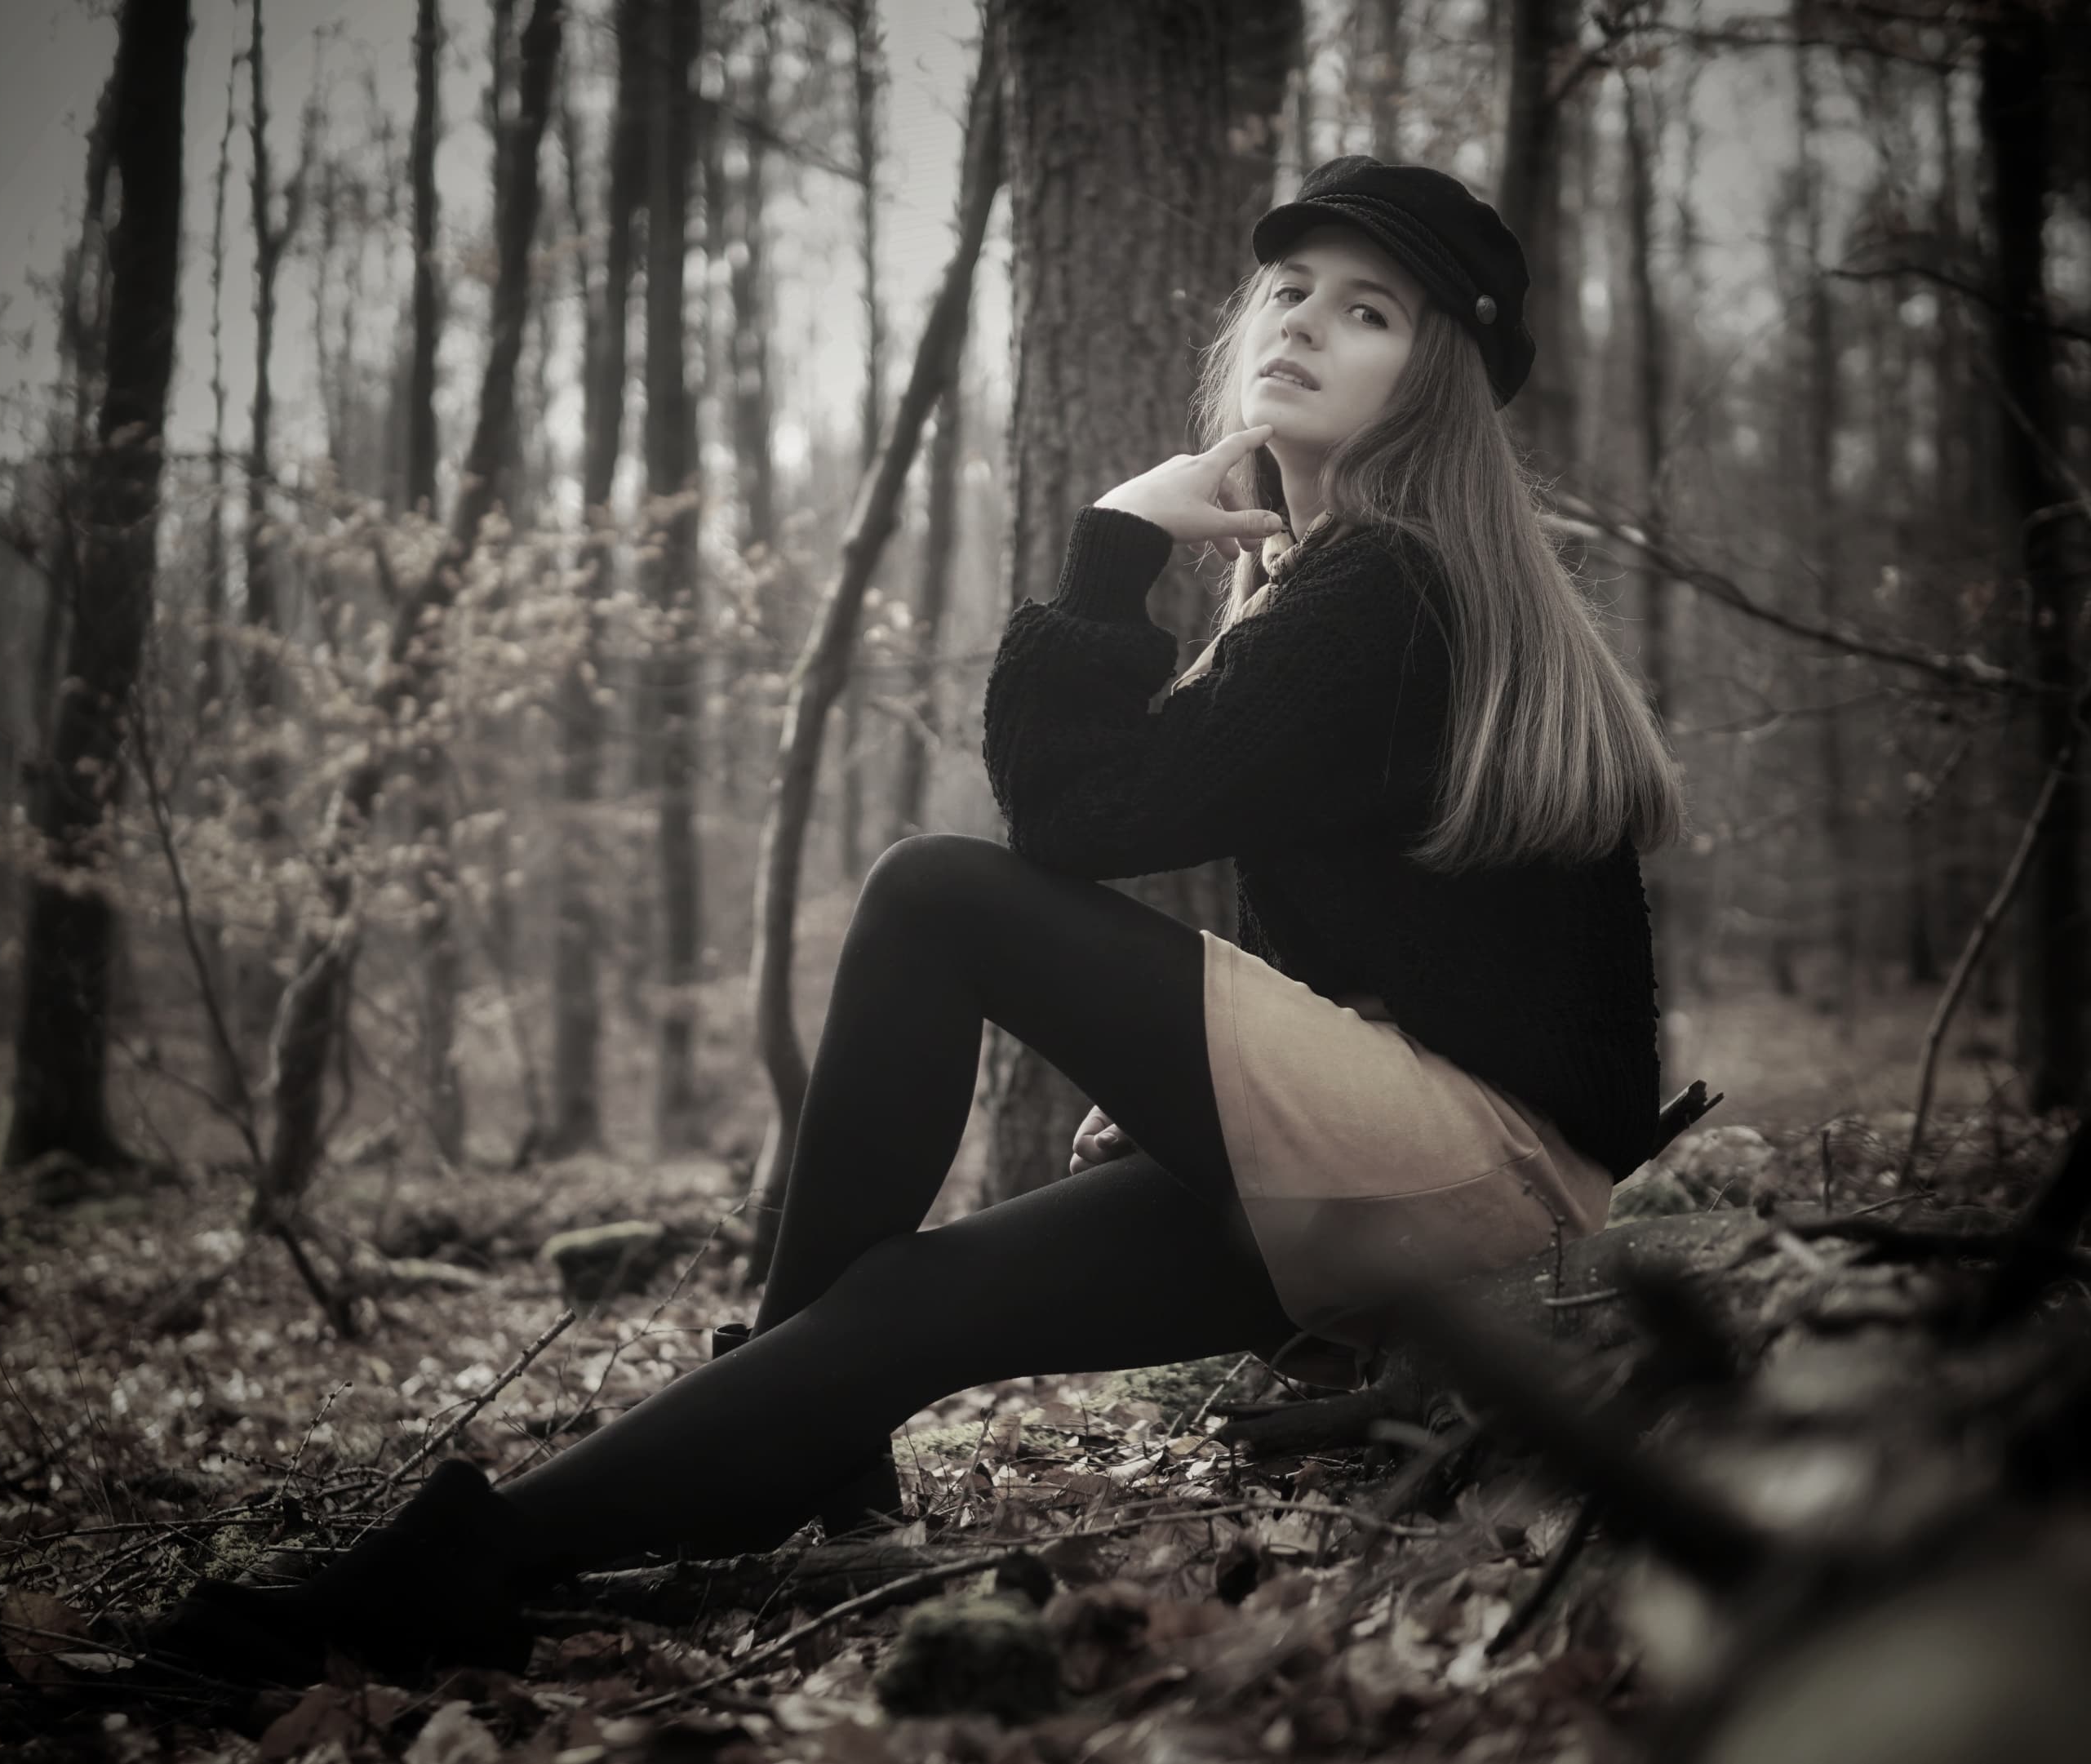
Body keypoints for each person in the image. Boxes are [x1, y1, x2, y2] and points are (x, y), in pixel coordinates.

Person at [151, 155, 1685, 1684]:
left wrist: (1112, 545)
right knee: (913, 1299)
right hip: (1432, 1172)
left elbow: (1073, 830)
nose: (1303, 323)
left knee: (932, 893)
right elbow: (1412, 931)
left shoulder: (1387, 588)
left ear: (1440, 383)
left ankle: (772, 1461)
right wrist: (1214, 1085)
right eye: (1290, 290)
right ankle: (477, 1566)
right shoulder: (1330, 585)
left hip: (1476, 1178)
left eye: (1371, 314)